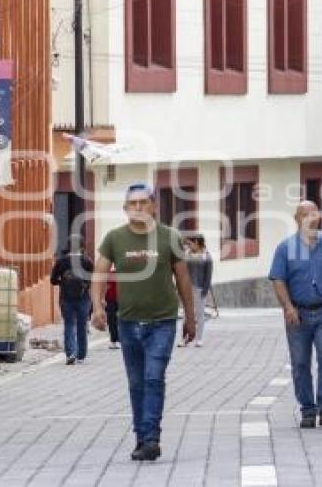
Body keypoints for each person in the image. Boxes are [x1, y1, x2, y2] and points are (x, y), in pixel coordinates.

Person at [90, 182, 196, 462]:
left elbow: (183, 278)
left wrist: (191, 316)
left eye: (143, 202)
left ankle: (151, 438)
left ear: (153, 206)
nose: (138, 208)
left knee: (153, 378)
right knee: (136, 383)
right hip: (127, 322)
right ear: (125, 209)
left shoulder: (169, 237)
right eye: (132, 204)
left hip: (162, 321)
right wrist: (97, 307)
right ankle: (141, 435)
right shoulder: (114, 238)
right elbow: (99, 273)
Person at [269, 201, 322, 429]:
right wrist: (287, 307)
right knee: (300, 363)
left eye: (314, 213)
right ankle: (307, 409)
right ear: (297, 219)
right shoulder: (285, 248)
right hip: (298, 313)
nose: (311, 217)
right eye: (306, 214)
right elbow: (278, 279)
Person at [50, 237, 93, 365]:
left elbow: (53, 280)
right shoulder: (87, 261)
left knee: (69, 324)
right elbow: (91, 280)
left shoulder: (61, 262)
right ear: (82, 246)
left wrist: (62, 282)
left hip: (66, 298)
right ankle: (81, 355)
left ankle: (70, 354)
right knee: (82, 325)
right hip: (83, 298)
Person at [182, 234, 213, 347]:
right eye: (187, 244)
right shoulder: (186, 254)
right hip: (187, 289)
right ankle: (184, 338)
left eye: (190, 243)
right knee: (186, 314)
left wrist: (205, 290)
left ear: (197, 243)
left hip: (199, 288)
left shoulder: (206, 256)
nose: (188, 246)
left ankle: (199, 338)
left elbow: (208, 276)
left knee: (200, 315)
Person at [105, 267, 120, 349]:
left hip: (113, 300)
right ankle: (115, 340)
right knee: (113, 321)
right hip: (114, 299)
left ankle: (115, 340)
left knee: (112, 321)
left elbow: (106, 287)